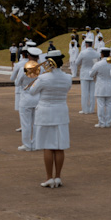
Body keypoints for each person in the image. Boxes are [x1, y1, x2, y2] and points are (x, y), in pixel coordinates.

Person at [30, 50, 71, 188]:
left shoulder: (43, 78)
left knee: (47, 146)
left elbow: (32, 91)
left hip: (45, 112)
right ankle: (58, 177)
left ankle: (49, 178)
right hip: (61, 112)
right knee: (59, 147)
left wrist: (38, 77)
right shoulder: (68, 77)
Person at [15, 47, 43, 151]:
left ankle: (27, 145)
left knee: (25, 123)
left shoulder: (24, 69)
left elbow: (17, 83)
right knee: (36, 123)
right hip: (38, 98)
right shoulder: (43, 69)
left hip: (25, 99)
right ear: (38, 57)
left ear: (29, 56)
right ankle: (36, 144)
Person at [74, 38, 100, 114]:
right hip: (93, 74)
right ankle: (91, 109)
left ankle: (85, 110)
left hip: (84, 73)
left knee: (84, 93)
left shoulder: (83, 53)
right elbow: (96, 63)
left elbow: (77, 63)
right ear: (92, 44)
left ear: (86, 44)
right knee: (92, 93)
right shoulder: (96, 53)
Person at [91, 47, 111, 128]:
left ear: (101, 54)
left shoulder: (98, 64)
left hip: (100, 86)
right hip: (110, 85)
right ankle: (108, 122)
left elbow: (91, 74)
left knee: (100, 105)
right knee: (109, 105)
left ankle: (101, 122)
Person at [10, 47, 30, 132]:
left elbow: (12, 78)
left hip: (21, 88)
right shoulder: (36, 64)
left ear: (22, 54)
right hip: (34, 88)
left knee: (22, 110)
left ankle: (24, 126)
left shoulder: (19, 64)